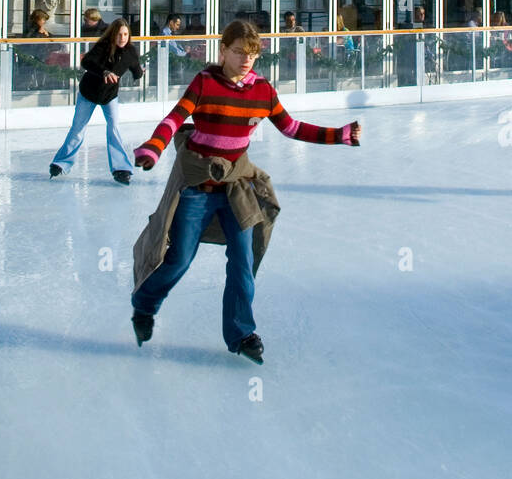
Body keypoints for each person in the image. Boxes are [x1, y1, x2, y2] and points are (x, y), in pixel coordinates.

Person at [129, 18, 361, 363]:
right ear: (223, 51)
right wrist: (153, 147)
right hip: (199, 187)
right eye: (238, 52)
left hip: (236, 187)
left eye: (252, 53)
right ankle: (144, 306)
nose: (246, 59)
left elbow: (291, 127)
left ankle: (241, 333)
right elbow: (175, 119)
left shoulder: (262, 91)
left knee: (243, 259)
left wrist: (337, 134)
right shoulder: (205, 82)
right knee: (178, 260)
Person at [49, 17, 143, 183]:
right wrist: (105, 72)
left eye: (126, 34)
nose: (122, 38)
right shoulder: (103, 47)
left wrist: (140, 72)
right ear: (113, 35)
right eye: (119, 34)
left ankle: (121, 168)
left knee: (114, 129)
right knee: (78, 128)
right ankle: (61, 163)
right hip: (89, 93)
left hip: (109, 96)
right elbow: (86, 61)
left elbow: (136, 70)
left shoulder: (130, 52)